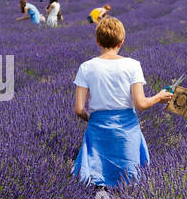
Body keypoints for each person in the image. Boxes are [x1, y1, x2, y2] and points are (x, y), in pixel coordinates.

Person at [71, 16, 173, 189]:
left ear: (97, 42)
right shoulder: (132, 65)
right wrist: (159, 97)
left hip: (98, 131)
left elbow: (79, 109)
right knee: (128, 183)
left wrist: (94, 120)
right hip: (127, 132)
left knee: (95, 182)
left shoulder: (86, 67)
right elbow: (140, 103)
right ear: (121, 42)